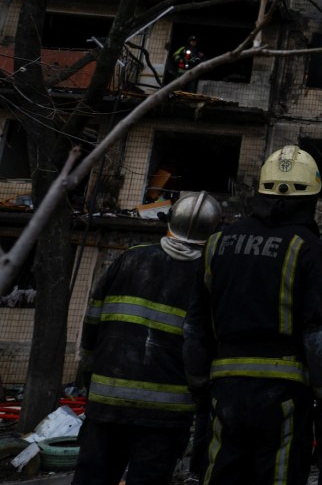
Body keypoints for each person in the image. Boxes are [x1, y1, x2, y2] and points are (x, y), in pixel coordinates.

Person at [183, 145, 322, 485]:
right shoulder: (309, 250)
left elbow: (195, 325)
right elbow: (318, 334)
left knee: (220, 473)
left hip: (223, 392)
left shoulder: (216, 243)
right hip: (283, 398)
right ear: (310, 199)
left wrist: (199, 386)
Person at [75, 191, 223, 485]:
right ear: (213, 234)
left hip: (107, 403)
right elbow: (204, 347)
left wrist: (89, 378)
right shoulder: (209, 278)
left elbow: (92, 323)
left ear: (169, 222)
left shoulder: (129, 259)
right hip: (164, 416)